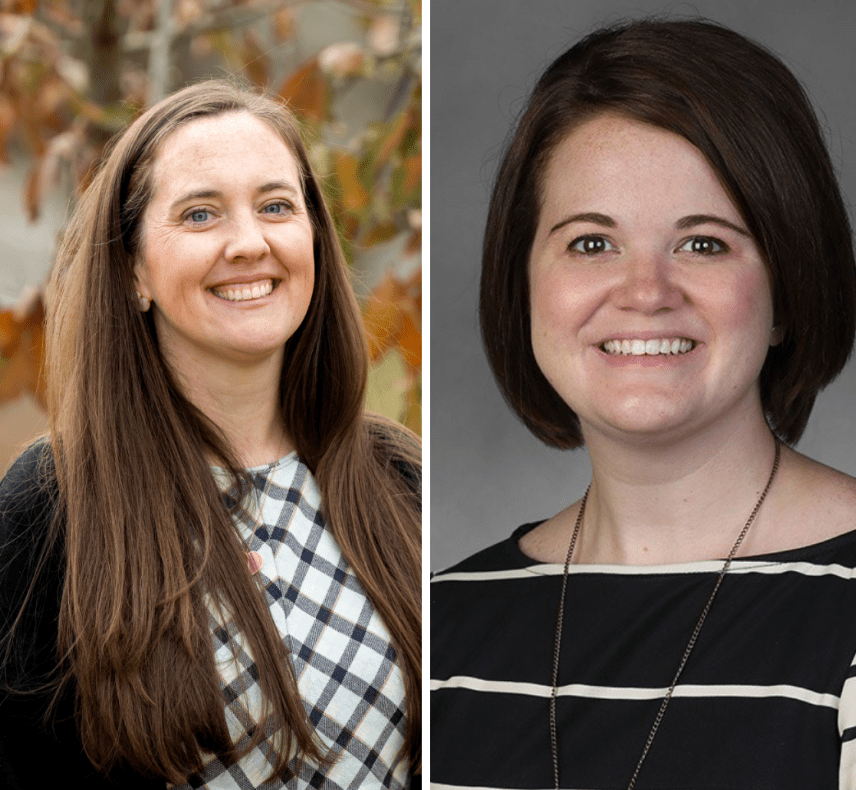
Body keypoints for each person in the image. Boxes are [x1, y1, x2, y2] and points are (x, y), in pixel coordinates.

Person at [431, 18, 856, 790]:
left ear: (789, 287)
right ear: (523, 283)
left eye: (704, 243)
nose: (645, 294)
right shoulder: (437, 633)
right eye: (592, 243)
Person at [0, 80, 420, 789]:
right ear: (134, 268)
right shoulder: (51, 507)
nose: (250, 243)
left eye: (276, 206)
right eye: (201, 214)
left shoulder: (401, 478)